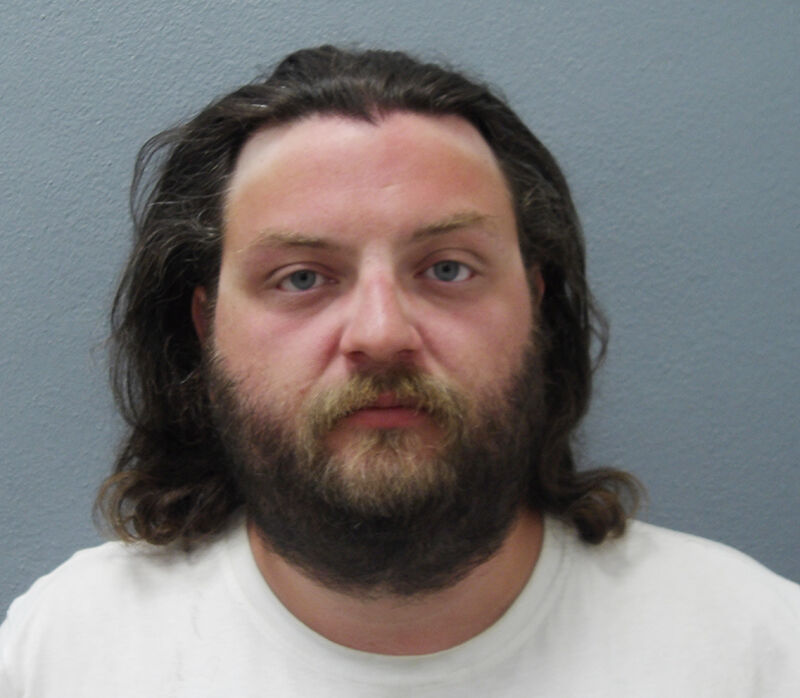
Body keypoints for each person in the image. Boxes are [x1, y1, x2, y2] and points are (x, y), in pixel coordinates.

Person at [1, 45, 798, 697]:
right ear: (206, 328)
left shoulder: (756, 652)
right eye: (301, 277)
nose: (381, 334)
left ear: (536, 306)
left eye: (448, 269)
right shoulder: (64, 655)